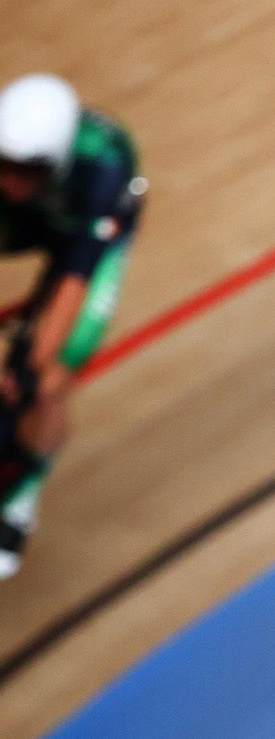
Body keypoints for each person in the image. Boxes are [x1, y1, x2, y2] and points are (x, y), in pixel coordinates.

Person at [0, 74, 145, 578]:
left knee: (48, 378)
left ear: (55, 163)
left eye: (27, 170)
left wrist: (30, 364)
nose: (11, 181)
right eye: (4, 166)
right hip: (35, 217)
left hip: (90, 235)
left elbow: (73, 279)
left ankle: (21, 495)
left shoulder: (102, 167)